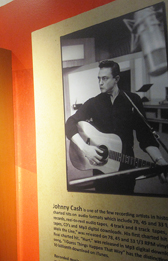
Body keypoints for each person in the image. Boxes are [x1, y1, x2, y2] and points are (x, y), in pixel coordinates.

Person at [65, 60, 168, 194]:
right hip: (101, 167)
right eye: (99, 78)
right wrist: (86, 149)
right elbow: (69, 123)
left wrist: (159, 161)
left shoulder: (133, 100)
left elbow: (146, 136)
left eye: (105, 78)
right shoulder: (93, 103)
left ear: (116, 79)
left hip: (127, 166)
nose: (100, 83)